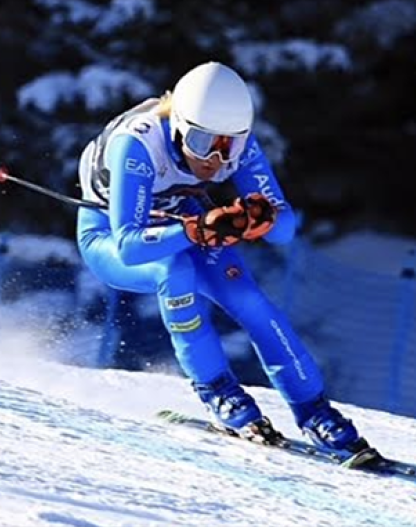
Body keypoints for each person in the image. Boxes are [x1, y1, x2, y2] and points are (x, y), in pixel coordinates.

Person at [75, 61, 368, 453]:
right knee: (174, 269)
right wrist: (194, 230)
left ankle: (315, 412)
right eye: (201, 143)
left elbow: (285, 230)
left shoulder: (240, 146)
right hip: (110, 235)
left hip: (189, 220)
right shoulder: (138, 144)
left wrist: (258, 219)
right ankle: (218, 392)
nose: (215, 159)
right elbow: (129, 245)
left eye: (228, 146)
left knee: (248, 299)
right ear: (178, 127)